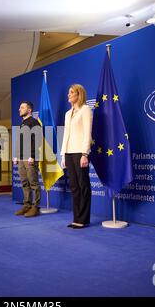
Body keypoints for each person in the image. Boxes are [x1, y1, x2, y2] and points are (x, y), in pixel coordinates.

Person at [60, 84, 93, 229]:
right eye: (68, 93)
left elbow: (87, 133)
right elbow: (66, 135)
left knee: (83, 185)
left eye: (71, 92)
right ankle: (76, 218)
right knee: (74, 187)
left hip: (80, 153)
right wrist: (62, 155)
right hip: (68, 153)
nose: (68, 95)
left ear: (78, 94)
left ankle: (83, 219)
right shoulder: (68, 113)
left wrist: (85, 153)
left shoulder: (85, 110)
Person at [13, 101, 42, 218]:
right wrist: (16, 155)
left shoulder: (34, 122)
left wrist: (33, 155)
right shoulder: (22, 124)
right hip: (21, 158)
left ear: (29, 110)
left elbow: (38, 140)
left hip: (30, 158)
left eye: (22, 107)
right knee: (24, 182)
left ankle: (36, 207)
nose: (19, 109)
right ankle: (27, 205)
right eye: (19, 107)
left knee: (33, 183)